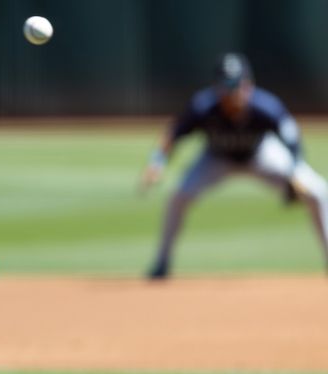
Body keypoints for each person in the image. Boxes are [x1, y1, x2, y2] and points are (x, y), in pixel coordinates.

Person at [140, 52, 328, 278]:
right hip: (216, 159)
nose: (233, 92)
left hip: (261, 155)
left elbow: (292, 137)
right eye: (226, 86)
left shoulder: (265, 106)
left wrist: (295, 171)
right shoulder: (203, 106)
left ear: (249, 84)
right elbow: (173, 134)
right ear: (216, 88)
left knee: (318, 192)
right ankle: (162, 263)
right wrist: (156, 163)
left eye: (237, 85)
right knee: (178, 196)